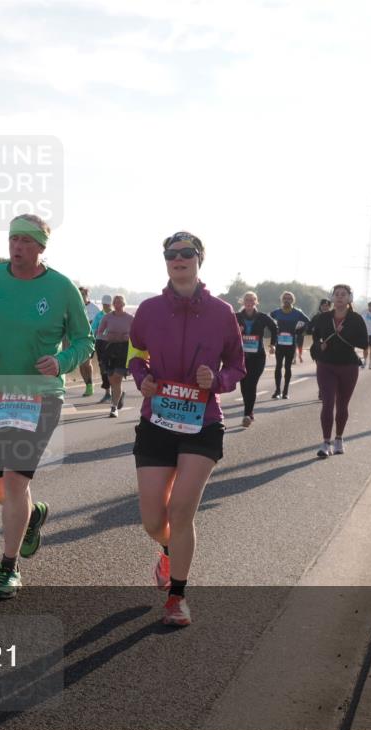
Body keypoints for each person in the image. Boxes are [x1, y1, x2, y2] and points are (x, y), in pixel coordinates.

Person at [0, 214, 94, 600]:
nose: (17, 247)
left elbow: (85, 341)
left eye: (25, 241)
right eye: (13, 239)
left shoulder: (61, 287)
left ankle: (9, 565)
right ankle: (31, 515)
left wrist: (62, 361)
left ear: (41, 247)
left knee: (16, 481)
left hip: (40, 395)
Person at [130, 231, 245, 627]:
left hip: (202, 423)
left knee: (181, 512)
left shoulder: (221, 312)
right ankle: (169, 551)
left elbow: (238, 366)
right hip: (157, 420)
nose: (177, 259)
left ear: (199, 259)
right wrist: (141, 377)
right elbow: (136, 355)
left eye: (186, 253)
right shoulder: (148, 310)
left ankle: (177, 598)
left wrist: (218, 380)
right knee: (152, 520)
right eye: (170, 254)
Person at [310, 284, 367, 458]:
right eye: (337, 294)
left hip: (348, 366)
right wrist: (319, 346)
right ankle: (325, 443)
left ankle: (339, 439)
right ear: (332, 297)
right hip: (326, 365)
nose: (340, 297)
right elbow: (315, 339)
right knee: (327, 403)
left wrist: (344, 334)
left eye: (344, 294)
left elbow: (364, 343)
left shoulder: (355, 319)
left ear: (350, 298)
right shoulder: (323, 318)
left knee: (342, 405)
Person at [235, 291, 277, 427]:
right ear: (243, 302)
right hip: (241, 356)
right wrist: (237, 331)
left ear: (256, 302)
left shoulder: (262, 317)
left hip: (258, 356)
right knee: (243, 385)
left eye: (252, 300)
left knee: (251, 384)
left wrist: (273, 344)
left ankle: (247, 414)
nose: (249, 302)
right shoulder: (236, 317)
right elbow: (226, 331)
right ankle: (249, 410)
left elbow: (274, 328)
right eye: (247, 300)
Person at [95, 294, 134, 417]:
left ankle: (114, 407)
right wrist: (107, 336)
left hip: (124, 349)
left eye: (120, 302)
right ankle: (120, 394)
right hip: (110, 348)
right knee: (112, 380)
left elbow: (137, 334)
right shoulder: (107, 317)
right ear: (113, 304)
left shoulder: (130, 318)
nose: (117, 304)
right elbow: (99, 332)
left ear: (124, 304)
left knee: (117, 377)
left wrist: (129, 337)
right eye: (115, 302)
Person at [270, 291, 309, 399]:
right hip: (280, 344)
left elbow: (307, 322)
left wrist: (299, 331)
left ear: (293, 300)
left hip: (291, 344)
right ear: (282, 300)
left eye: (289, 298)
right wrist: (274, 329)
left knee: (288, 367)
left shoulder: (297, 313)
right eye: (285, 298)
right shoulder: (276, 312)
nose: (287, 300)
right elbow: (268, 321)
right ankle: (277, 391)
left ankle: (285, 391)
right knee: (278, 366)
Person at [78, 287, 100, 397]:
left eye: (83, 294)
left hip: (90, 339)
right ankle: (88, 385)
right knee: (81, 365)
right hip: (77, 339)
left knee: (86, 363)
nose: (81, 296)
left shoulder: (94, 308)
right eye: (79, 294)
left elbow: (100, 323)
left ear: (87, 295)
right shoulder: (76, 306)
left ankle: (90, 384)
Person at [92, 295, 113, 403]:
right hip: (100, 343)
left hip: (113, 344)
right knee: (103, 368)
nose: (106, 307)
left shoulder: (115, 315)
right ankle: (108, 393)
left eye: (107, 305)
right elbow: (93, 329)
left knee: (112, 368)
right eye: (104, 305)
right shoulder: (99, 316)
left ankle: (116, 391)